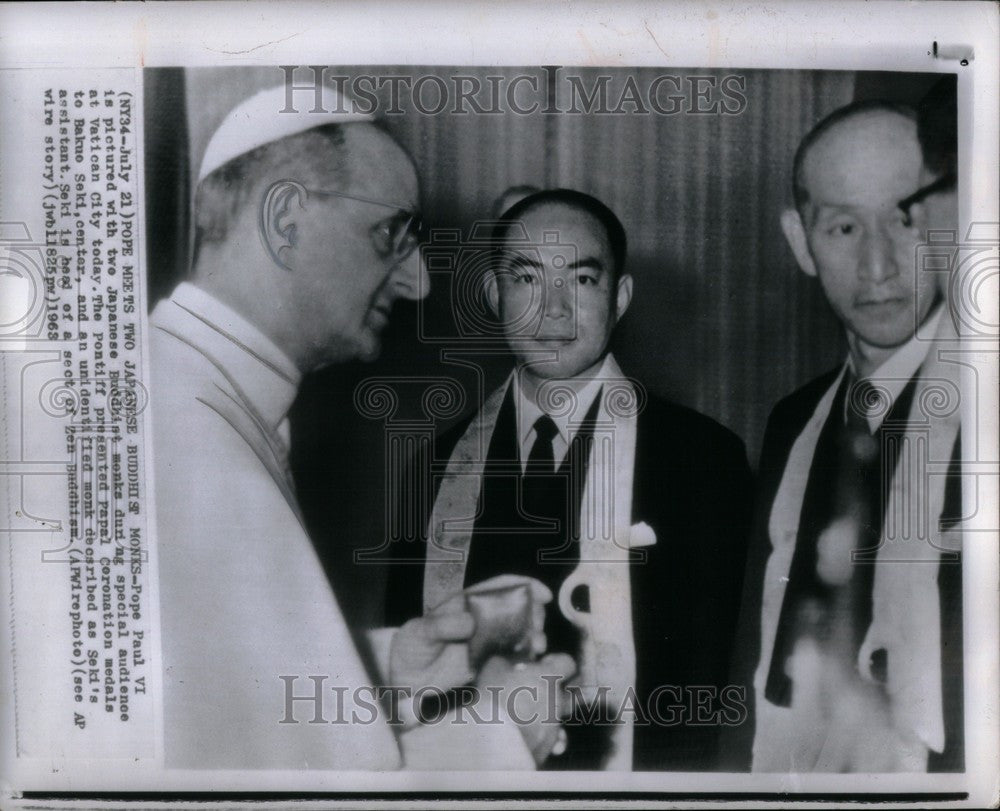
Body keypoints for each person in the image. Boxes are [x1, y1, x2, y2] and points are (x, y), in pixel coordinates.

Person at [150, 84, 536, 770]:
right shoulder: (185, 435)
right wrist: (505, 738)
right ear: (287, 219)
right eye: (393, 234)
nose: (418, 281)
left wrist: (389, 666)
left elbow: (221, 704)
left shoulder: (182, 390)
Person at [386, 189, 754, 770]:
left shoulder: (703, 459)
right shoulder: (435, 466)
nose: (553, 310)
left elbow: (714, 690)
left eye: (581, 281)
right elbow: (406, 673)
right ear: (493, 295)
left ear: (621, 297)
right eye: (528, 280)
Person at [733, 100, 963, 773]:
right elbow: (758, 663)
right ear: (801, 243)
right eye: (842, 227)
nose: (878, 266)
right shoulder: (793, 422)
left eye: (903, 217)